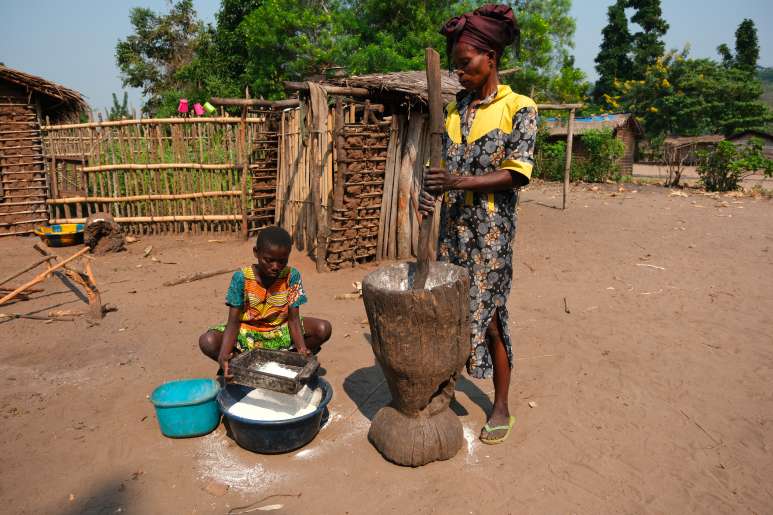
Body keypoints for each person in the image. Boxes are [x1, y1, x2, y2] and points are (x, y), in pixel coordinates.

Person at [420, 4, 537, 445]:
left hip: (491, 234)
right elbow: (439, 168)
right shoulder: (454, 111)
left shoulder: (519, 107)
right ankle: (443, 389)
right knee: (448, 312)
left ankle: (501, 403)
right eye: (454, 68)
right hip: (453, 228)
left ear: (491, 57)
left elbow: (517, 173)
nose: (460, 74)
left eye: (465, 65)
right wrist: (429, 193)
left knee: (487, 318)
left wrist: (458, 181)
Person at [198, 226, 332, 378]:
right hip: (247, 332)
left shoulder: (292, 276)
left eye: (282, 261)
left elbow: (294, 320)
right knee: (208, 341)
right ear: (256, 253)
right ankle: (238, 366)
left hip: (280, 330)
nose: (275, 267)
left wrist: (302, 350)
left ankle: (289, 361)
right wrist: (223, 355)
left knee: (323, 328)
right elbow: (234, 322)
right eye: (269, 260)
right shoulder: (241, 278)